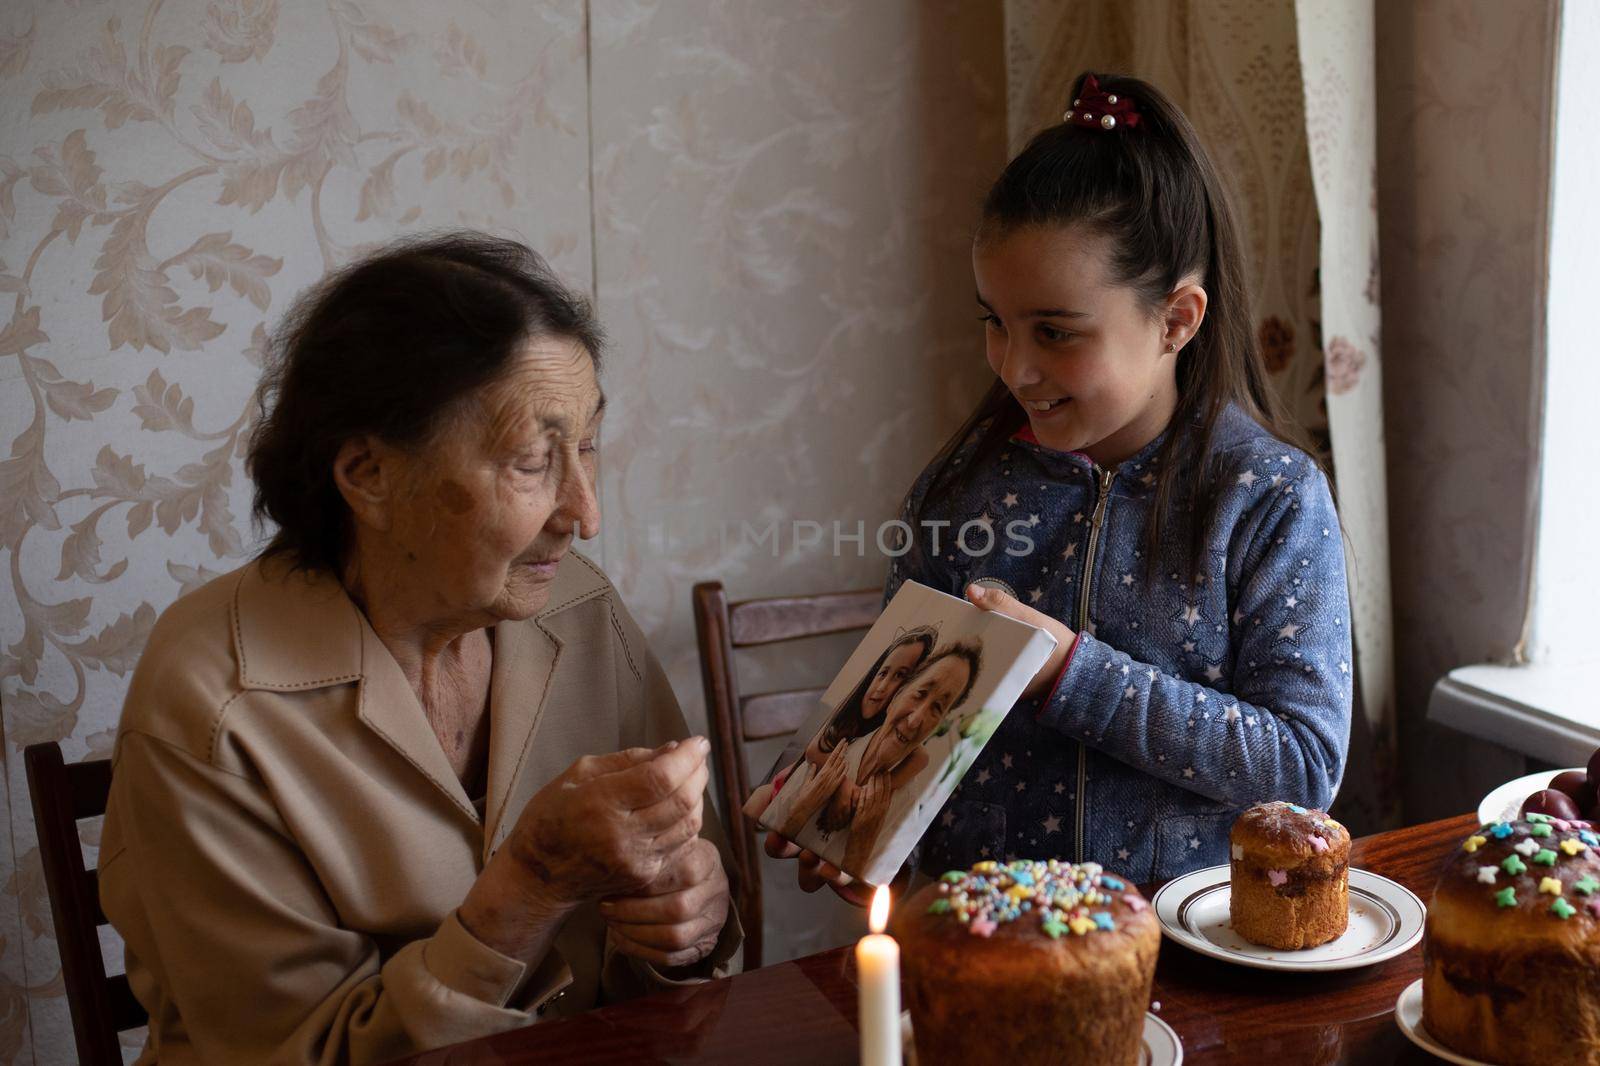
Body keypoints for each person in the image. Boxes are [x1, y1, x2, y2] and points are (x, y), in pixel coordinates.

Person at [98, 233, 741, 1065]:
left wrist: (686, 922)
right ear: (368, 475)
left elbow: (689, 949)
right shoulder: (212, 697)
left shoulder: (577, 609)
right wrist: (531, 885)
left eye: (586, 446)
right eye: (533, 460)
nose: (585, 514)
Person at [767, 71, 1352, 895]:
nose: (1015, 366)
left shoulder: (1269, 500)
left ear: (1178, 321)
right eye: (995, 323)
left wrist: (1070, 671)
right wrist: (840, 803)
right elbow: (903, 725)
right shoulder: (958, 493)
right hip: (984, 952)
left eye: (1054, 331)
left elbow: (1302, 768)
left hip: (1189, 967)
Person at [767, 641, 982, 878]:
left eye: (937, 708)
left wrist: (861, 841)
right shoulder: (837, 747)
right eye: (920, 693)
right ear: (897, 695)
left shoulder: (906, 806)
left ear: (940, 723)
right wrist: (803, 811)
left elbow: (866, 886)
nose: (914, 721)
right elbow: (776, 818)